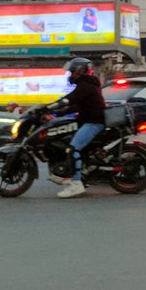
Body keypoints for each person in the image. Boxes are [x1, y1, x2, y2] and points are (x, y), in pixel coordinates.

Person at [47, 57, 106, 198]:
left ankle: (77, 183)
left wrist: (49, 107)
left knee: (73, 148)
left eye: (71, 72)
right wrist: (56, 113)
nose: (70, 75)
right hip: (86, 120)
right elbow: (74, 106)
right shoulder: (86, 85)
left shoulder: (85, 86)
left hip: (94, 122)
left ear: (80, 71)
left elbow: (69, 100)